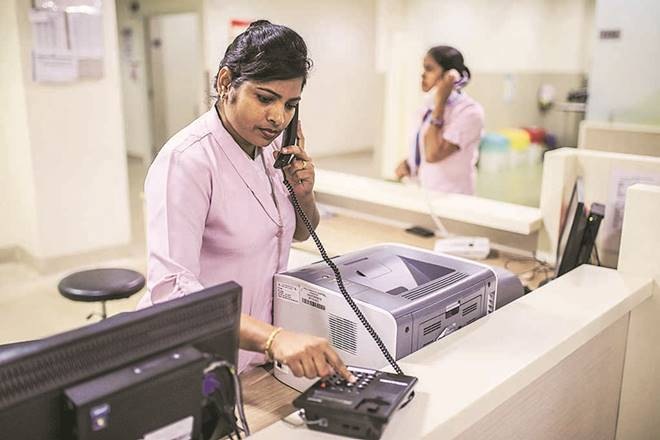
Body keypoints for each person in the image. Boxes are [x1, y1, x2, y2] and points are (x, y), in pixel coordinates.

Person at [138, 20, 354, 382]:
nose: (278, 117)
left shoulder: (271, 151)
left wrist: (304, 194)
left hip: (257, 355)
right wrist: (273, 338)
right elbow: (171, 291)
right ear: (226, 84)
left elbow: (298, 234)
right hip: (198, 355)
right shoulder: (188, 161)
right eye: (265, 98)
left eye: (290, 105)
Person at [395, 46, 484, 195]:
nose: (423, 75)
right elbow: (424, 149)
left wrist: (440, 103)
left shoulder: (470, 113)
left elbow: (433, 154)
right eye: (423, 69)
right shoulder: (426, 109)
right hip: (424, 192)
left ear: (450, 75)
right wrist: (410, 163)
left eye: (429, 69)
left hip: (452, 196)